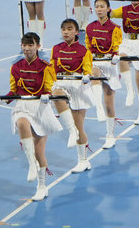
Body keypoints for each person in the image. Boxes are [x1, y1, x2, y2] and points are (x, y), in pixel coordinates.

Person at [0, 32, 61, 202]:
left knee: (39, 152)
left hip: (40, 108)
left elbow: (50, 88)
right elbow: (13, 91)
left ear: (37, 46)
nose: (27, 48)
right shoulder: (16, 67)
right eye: (24, 45)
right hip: (22, 106)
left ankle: (42, 186)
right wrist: (1, 97)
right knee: (21, 122)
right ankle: (31, 165)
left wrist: (47, 95)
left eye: (30, 45)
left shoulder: (45, 66)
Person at [50, 19, 97, 173]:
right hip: (61, 83)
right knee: (56, 95)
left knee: (79, 126)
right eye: (63, 29)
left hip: (78, 85)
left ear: (77, 32)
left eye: (70, 29)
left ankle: (83, 160)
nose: (66, 32)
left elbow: (88, 69)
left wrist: (87, 76)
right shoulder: (55, 49)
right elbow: (51, 70)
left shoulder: (84, 51)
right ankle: (71, 131)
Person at [84, 0, 123, 148]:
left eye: (102, 6)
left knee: (109, 102)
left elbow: (116, 47)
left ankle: (110, 135)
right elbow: (88, 48)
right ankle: (97, 106)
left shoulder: (115, 28)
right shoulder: (89, 27)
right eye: (97, 6)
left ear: (108, 9)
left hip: (109, 64)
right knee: (94, 73)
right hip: (95, 62)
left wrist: (115, 57)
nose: (99, 9)